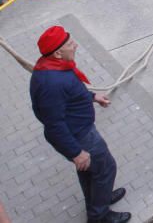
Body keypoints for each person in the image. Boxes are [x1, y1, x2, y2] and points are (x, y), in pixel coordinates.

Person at [30, 25, 131, 223]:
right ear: (58, 52)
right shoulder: (51, 83)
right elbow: (54, 126)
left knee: (90, 172)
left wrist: (93, 97)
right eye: (70, 44)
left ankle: (99, 199)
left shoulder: (54, 67)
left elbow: (72, 94)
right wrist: (76, 152)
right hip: (79, 136)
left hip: (79, 132)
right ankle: (99, 216)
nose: (75, 45)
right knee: (105, 168)